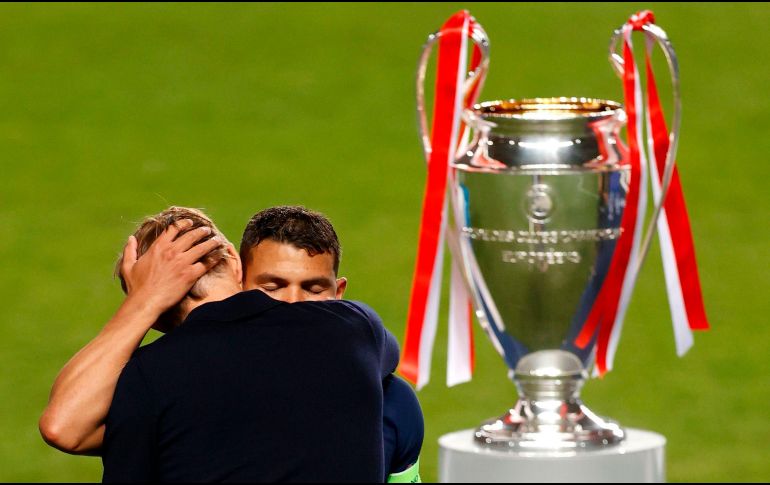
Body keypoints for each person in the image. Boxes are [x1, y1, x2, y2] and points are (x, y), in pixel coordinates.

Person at [40, 206, 422, 482]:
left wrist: (141, 303)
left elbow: (63, 427)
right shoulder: (354, 330)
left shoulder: (148, 379)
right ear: (238, 267)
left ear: (153, 319)